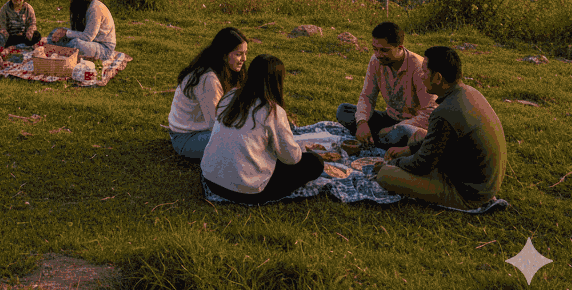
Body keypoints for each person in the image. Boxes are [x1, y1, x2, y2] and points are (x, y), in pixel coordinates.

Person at [375, 46, 507, 210]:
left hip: (468, 193)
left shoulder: (444, 113)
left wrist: (396, 163)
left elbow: (422, 164)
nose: (422, 77)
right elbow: (439, 141)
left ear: (437, 77)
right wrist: (408, 150)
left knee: (385, 175)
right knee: (418, 137)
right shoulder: (469, 92)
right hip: (480, 182)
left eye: (424, 72)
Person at [201, 54, 324, 205]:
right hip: (247, 191)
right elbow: (291, 158)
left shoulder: (230, 96)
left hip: (211, 179)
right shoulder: (272, 111)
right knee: (314, 162)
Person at [335, 21, 437, 147]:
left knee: (402, 134)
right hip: (389, 117)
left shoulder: (419, 68)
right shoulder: (375, 61)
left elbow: (430, 113)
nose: (378, 55)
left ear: (400, 48)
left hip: (412, 124)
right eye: (375, 49)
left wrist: (393, 129)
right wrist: (362, 123)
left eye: (384, 50)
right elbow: (367, 96)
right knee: (344, 111)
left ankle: (378, 139)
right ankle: (378, 138)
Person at [168, 27, 248, 160]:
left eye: (245, 53)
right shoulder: (208, 79)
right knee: (243, 143)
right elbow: (215, 125)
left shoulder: (227, 72)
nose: (244, 59)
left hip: (203, 131)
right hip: (187, 138)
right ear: (224, 54)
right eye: (239, 54)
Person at [48, 0, 116, 61]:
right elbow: (78, 32)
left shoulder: (95, 8)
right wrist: (62, 33)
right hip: (88, 42)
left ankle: (58, 50)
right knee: (54, 33)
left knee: (74, 43)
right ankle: (60, 51)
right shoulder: (81, 6)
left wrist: (66, 33)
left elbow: (88, 36)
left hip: (103, 48)